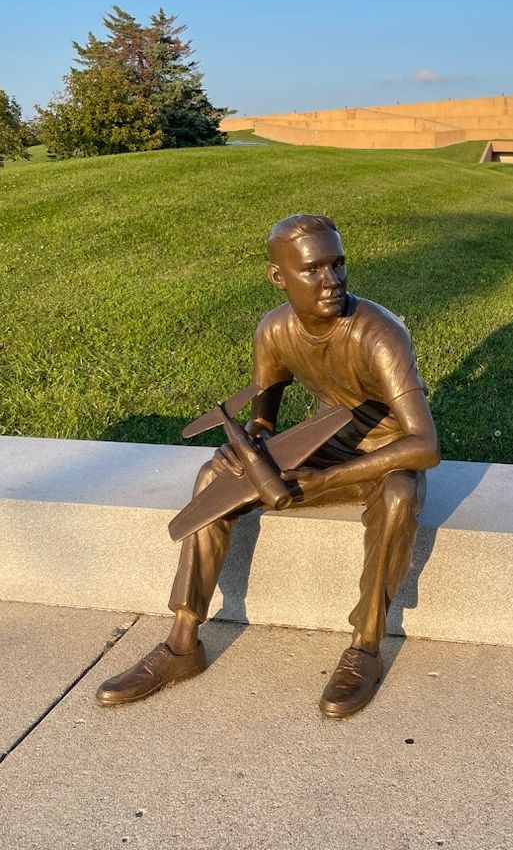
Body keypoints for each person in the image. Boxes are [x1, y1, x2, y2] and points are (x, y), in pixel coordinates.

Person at [96, 214, 440, 717]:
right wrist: (254, 443)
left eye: (338, 264)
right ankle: (182, 643)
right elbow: (266, 408)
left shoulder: (379, 334)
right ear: (278, 278)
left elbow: (424, 445)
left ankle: (366, 646)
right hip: (326, 446)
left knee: (400, 496)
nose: (332, 280)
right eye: (313, 270)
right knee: (214, 476)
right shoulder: (274, 330)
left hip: (386, 457)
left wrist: (325, 479)